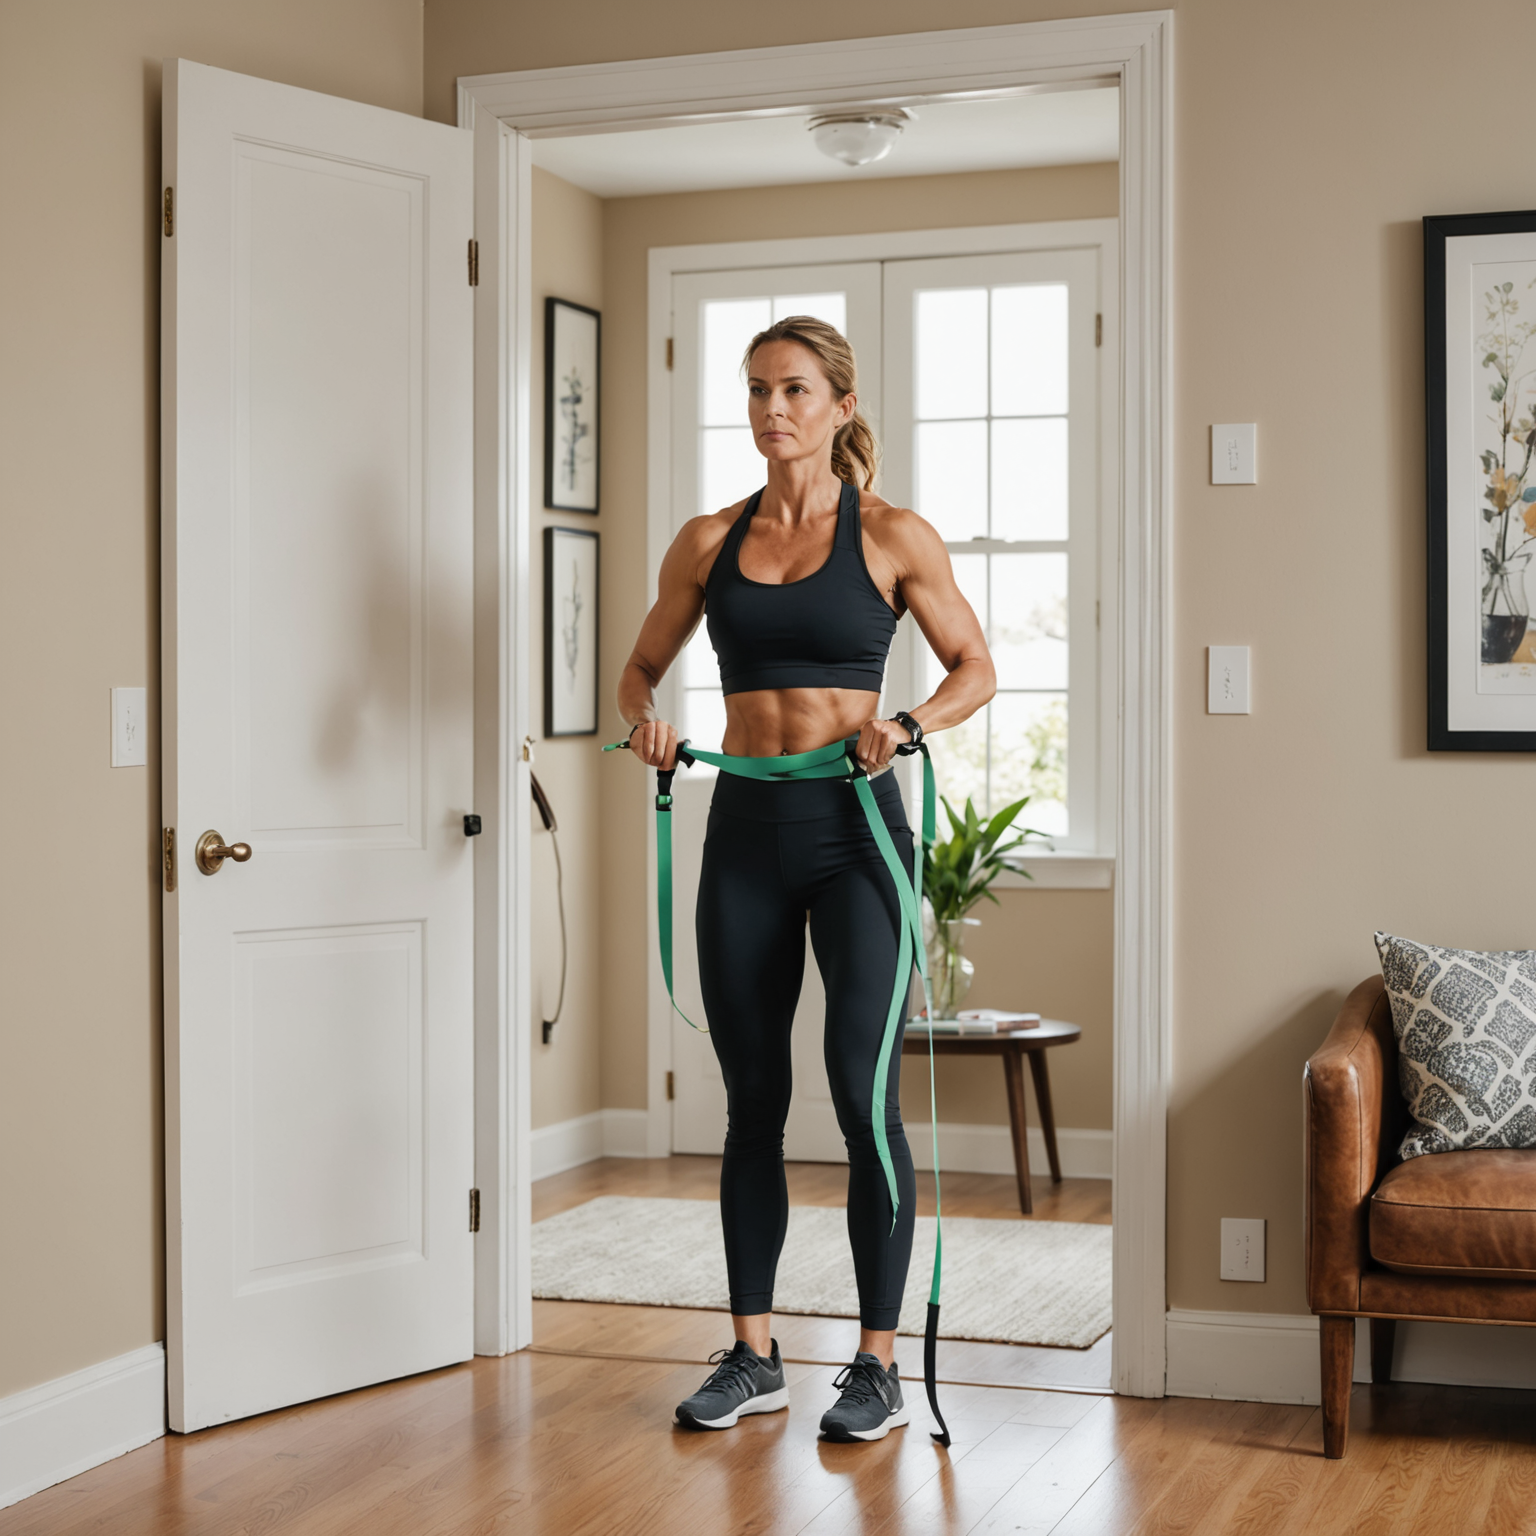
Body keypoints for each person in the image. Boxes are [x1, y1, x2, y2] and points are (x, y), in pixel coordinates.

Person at [617, 315, 995, 1442]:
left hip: (855, 838)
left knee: (863, 1099)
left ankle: (875, 1365)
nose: (771, 409)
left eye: (792, 390)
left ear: (840, 405)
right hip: (744, 835)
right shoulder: (706, 541)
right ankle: (754, 1354)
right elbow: (638, 668)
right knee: (752, 1105)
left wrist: (910, 723)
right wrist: (646, 723)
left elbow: (977, 667)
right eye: (756, 390)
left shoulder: (891, 535)